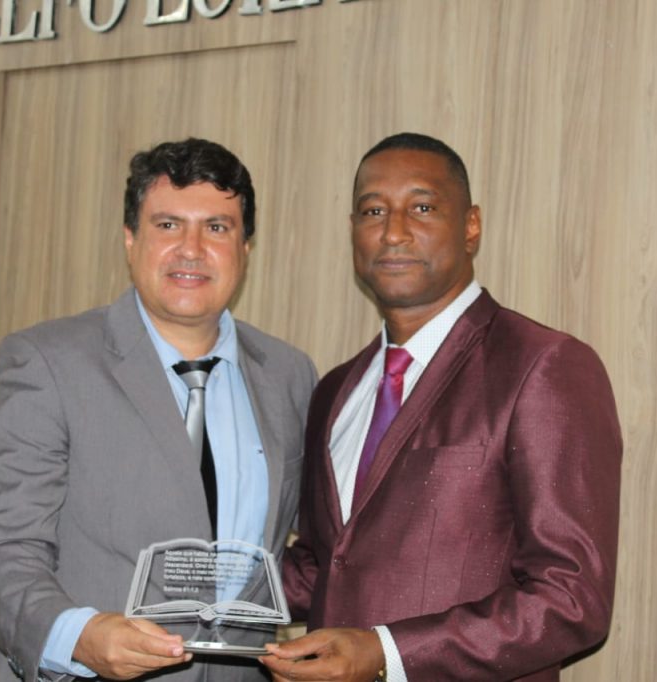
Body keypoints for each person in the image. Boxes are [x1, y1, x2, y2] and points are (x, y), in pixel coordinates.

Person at [263, 133, 622, 682]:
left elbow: (571, 599)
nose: (394, 232)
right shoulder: (335, 391)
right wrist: (191, 593)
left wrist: (386, 654)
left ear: (471, 226)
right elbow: (325, 566)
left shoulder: (543, 366)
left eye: (422, 208)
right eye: (373, 211)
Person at [0, 137, 317, 682]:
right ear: (130, 239)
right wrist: (76, 635)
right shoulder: (46, 362)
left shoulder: (290, 375)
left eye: (216, 227)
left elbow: (309, 548)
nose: (191, 249)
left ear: (245, 248)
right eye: (168, 225)